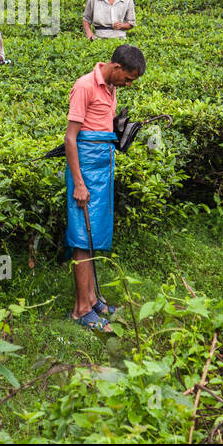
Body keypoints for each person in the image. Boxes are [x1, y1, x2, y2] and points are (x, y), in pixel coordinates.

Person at [64, 44, 146, 332]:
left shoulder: (111, 87)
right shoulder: (84, 86)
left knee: (94, 235)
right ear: (116, 67)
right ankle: (81, 310)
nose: (129, 84)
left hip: (102, 166)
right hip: (85, 169)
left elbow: (100, 125)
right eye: (128, 78)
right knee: (82, 238)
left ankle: (93, 299)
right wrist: (79, 183)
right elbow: (70, 138)